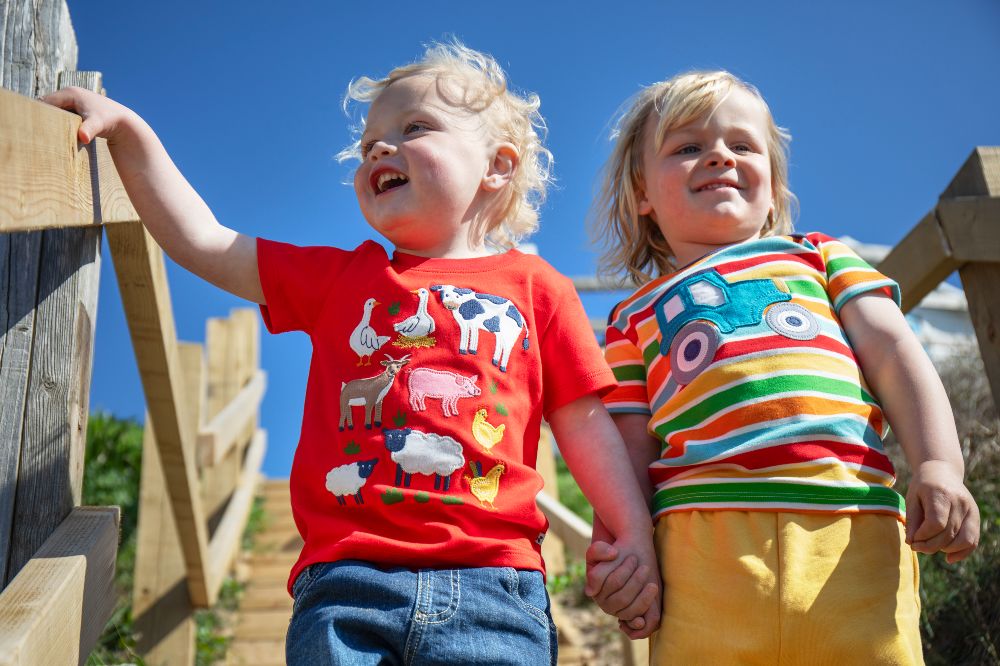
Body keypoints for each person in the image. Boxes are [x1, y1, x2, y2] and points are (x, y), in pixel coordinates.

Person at [44, 41, 662, 664]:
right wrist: (130, 131)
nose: (380, 149)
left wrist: (631, 530)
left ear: (497, 166)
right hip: (346, 583)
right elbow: (206, 242)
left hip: (494, 584)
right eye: (369, 144)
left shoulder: (538, 289)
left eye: (414, 128)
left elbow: (584, 424)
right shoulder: (342, 280)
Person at [583, 70, 980, 664]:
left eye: (742, 146)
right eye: (688, 147)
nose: (718, 155)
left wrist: (939, 465)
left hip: (849, 532)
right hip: (699, 554)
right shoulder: (633, 316)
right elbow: (626, 448)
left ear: (772, 187)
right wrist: (623, 544)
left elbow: (897, 354)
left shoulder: (819, 258)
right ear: (643, 193)